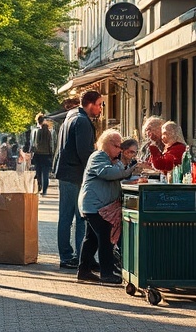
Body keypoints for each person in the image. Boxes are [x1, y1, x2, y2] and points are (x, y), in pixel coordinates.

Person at [76, 130, 144, 284]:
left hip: (97, 205)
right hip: (96, 206)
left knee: (91, 239)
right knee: (105, 239)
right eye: (117, 146)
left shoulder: (108, 158)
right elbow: (108, 173)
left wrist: (129, 175)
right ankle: (106, 274)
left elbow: (117, 176)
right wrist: (124, 165)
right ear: (108, 145)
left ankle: (84, 271)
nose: (120, 150)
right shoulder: (99, 156)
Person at [53, 89, 102, 269]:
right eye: (99, 104)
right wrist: (97, 170)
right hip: (75, 174)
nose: (100, 109)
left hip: (66, 173)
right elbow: (84, 152)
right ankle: (81, 257)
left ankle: (67, 256)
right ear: (90, 104)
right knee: (81, 217)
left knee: (65, 217)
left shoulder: (71, 116)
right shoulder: (82, 121)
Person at [32, 114, 54, 196]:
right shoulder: (49, 132)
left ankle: (39, 187)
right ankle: (44, 190)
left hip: (39, 154)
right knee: (45, 173)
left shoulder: (38, 131)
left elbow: (36, 143)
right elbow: (51, 144)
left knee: (38, 172)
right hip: (47, 154)